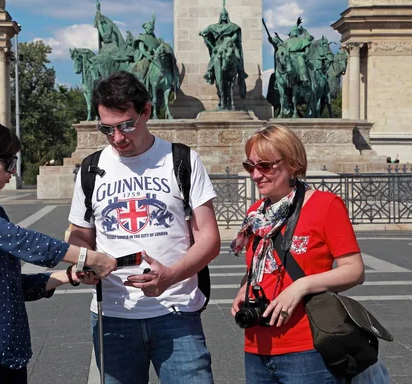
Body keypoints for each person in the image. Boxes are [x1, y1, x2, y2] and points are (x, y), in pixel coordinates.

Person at [0, 115, 117, 383]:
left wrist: (70, 275)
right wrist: (88, 256)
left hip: (8, 351)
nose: (12, 171)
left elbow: (8, 284)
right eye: (8, 162)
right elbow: (20, 240)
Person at [68, 71, 221, 384]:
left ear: (146, 111)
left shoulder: (182, 160)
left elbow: (209, 238)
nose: (118, 138)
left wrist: (170, 277)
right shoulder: (91, 168)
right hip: (113, 315)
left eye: (126, 125)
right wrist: (83, 263)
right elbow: (80, 234)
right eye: (106, 129)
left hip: (176, 312)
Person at [230, 125, 388, 383]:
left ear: (292, 164)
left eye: (265, 166)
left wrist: (301, 286)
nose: (256, 175)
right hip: (257, 347)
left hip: (306, 349)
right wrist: (245, 288)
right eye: (251, 166)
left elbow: (354, 270)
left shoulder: (324, 205)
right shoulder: (256, 213)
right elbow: (262, 268)